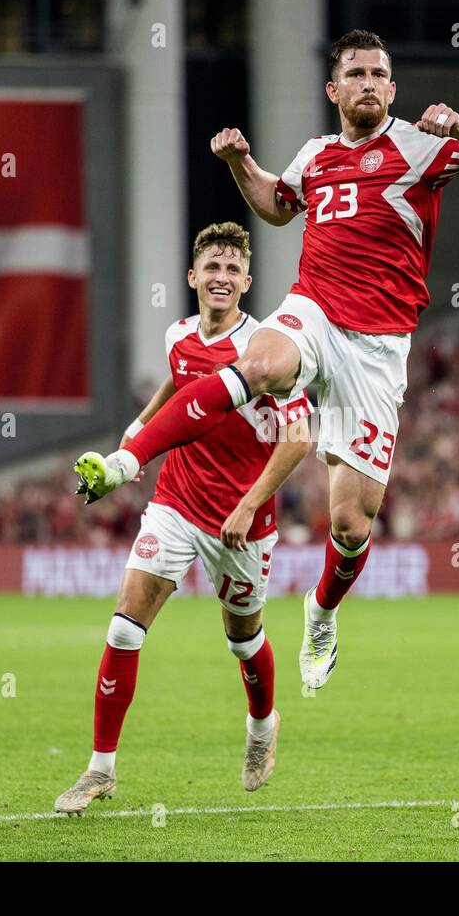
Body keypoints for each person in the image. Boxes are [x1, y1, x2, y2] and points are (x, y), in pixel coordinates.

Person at [71, 29, 459, 690]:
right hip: (313, 309)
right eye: (357, 73)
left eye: (379, 73)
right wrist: (239, 163)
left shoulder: (424, 146)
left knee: (350, 524)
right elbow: (278, 207)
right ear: (333, 89)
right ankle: (127, 461)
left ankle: (321, 610)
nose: (369, 82)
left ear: (392, 89)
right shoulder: (316, 154)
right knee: (257, 366)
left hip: (377, 348)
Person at [57, 223, 313, 813]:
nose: (221, 278)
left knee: (244, 642)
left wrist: (250, 504)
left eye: (233, 269)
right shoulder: (177, 334)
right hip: (176, 502)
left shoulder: (268, 351)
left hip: (245, 519)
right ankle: (100, 770)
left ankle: (261, 726)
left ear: (247, 282)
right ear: (193, 277)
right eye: (212, 268)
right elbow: (180, 383)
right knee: (124, 627)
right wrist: (136, 436)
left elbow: (298, 438)